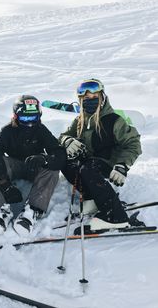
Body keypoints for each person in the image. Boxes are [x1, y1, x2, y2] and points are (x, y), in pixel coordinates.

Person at [59, 78, 142, 230]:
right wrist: (68, 141)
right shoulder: (80, 120)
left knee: (88, 168)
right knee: (63, 160)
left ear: (102, 97)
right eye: (86, 99)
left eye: (94, 98)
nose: (90, 101)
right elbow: (63, 135)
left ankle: (116, 216)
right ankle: (92, 199)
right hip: (90, 163)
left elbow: (133, 143)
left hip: (110, 164)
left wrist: (122, 165)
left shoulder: (114, 121)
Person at [0, 95, 66, 236]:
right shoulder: (8, 131)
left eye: (33, 118)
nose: (30, 123)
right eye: (25, 118)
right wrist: (3, 184)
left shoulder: (41, 130)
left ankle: (31, 212)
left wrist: (44, 159)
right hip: (15, 166)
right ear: (16, 116)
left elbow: (59, 154)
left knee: (53, 169)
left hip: (35, 167)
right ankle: (0, 212)